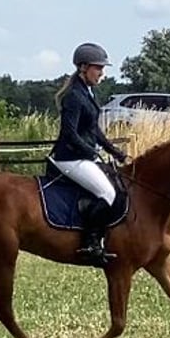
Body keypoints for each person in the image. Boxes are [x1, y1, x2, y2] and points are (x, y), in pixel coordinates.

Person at [49, 42, 128, 267]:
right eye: (98, 68)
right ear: (83, 68)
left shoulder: (88, 92)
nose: (101, 73)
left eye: (102, 69)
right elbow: (69, 133)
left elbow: (94, 130)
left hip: (82, 156)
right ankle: (91, 244)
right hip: (68, 158)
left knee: (113, 186)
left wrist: (115, 152)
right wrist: (91, 151)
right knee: (107, 193)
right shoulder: (74, 96)